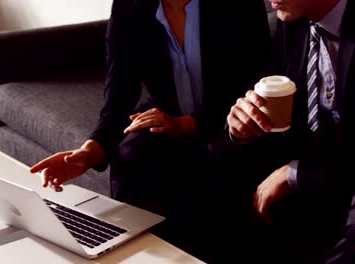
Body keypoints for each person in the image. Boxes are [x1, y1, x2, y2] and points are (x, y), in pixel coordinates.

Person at [30, 0, 271, 259]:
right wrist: (91, 151)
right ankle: (135, 254)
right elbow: (119, 93)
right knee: (130, 155)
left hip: (231, 122)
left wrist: (190, 124)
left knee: (216, 164)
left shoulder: (239, 5)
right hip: (166, 118)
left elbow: (260, 83)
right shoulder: (129, 6)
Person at [221, 0, 355, 263]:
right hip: (314, 171)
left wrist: (295, 174)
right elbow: (278, 108)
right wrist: (242, 123)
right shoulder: (294, 19)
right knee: (219, 162)